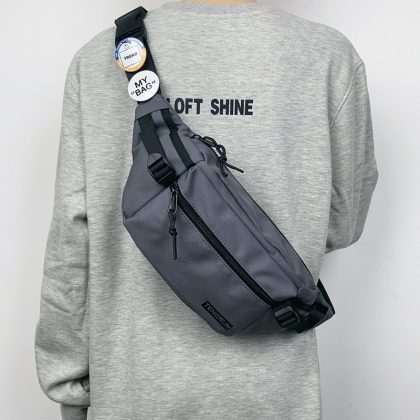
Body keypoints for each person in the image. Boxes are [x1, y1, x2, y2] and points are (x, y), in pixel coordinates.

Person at [34, 1, 379, 419]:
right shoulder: (328, 56)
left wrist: (70, 386)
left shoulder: (99, 58)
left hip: (134, 387)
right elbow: (340, 223)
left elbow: (72, 243)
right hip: (274, 390)